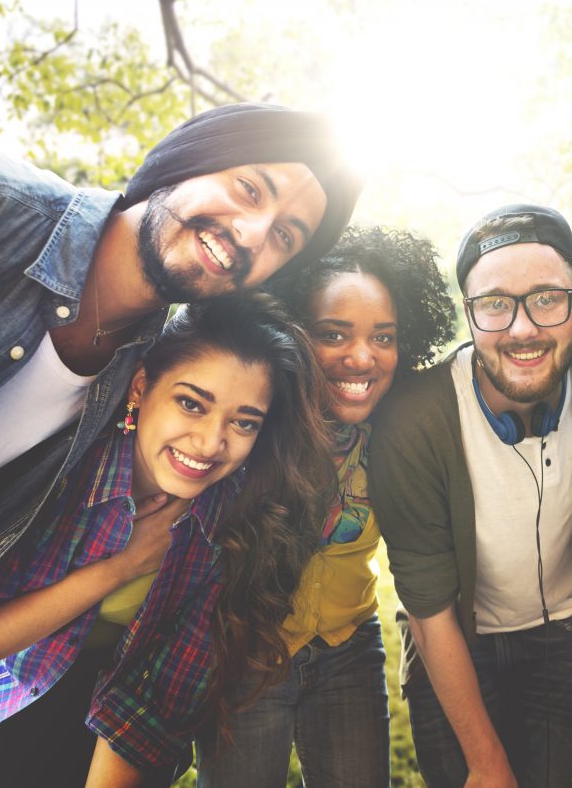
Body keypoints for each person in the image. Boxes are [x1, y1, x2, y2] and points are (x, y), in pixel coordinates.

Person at [0, 104, 360, 658]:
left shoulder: (131, 375)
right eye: (248, 188)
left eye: (285, 237)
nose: (251, 233)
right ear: (186, 162)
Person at [0, 292, 333, 788]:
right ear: (139, 388)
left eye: (243, 422)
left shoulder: (239, 513)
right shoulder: (60, 474)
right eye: (192, 404)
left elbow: (163, 692)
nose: (211, 443)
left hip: (121, 716)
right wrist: (118, 568)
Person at [368, 204, 572, 788]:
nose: (522, 328)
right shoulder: (415, 421)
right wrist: (487, 766)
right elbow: (430, 610)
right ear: (468, 313)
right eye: (494, 305)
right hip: (455, 637)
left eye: (547, 298)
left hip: (564, 635)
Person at [195, 226, 456, 788]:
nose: (362, 357)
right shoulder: (253, 422)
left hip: (349, 648)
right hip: (246, 647)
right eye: (333, 335)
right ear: (291, 332)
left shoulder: (398, 428)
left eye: (383, 337)